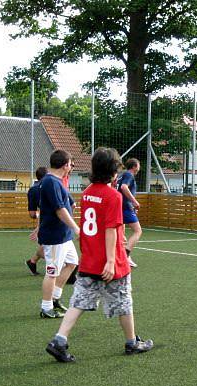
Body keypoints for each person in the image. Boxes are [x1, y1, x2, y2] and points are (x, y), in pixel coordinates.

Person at [45, 147, 153, 362]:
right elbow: (111, 229)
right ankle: (132, 342)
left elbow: (92, 226)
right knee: (124, 300)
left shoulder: (88, 193)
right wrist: (112, 261)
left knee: (79, 302)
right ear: (113, 170)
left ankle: (59, 340)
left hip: (91, 260)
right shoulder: (113, 196)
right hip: (110, 263)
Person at [38, 150, 80, 318]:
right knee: (52, 272)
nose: (72, 167)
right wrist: (76, 228)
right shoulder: (51, 182)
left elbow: (65, 205)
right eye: (71, 164)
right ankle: (46, 308)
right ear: (65, 165)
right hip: (55, 237)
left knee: (72, 263)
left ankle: (55, 298)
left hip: (63, 235)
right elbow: (60, 210)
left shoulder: (57, 181)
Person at [116, 158, 142, 268]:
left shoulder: (121, 175)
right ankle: (125, 256)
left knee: (121, 235)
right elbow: (123, 187)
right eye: (138, 164)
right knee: (138, 231)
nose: (139, 166)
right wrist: (134, 201)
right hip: (125, 207)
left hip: (118, 206)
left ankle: (124, 257)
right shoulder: (129, 175)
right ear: (134, 166)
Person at [25, 166, 48, 275]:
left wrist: (38, 217)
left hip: (44, 219)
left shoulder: (32, 190)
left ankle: (33, 261)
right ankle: (60, 265)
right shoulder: (51, 186)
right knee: (50, 245)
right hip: (50, 219)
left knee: (46, 244)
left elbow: (32, 214)